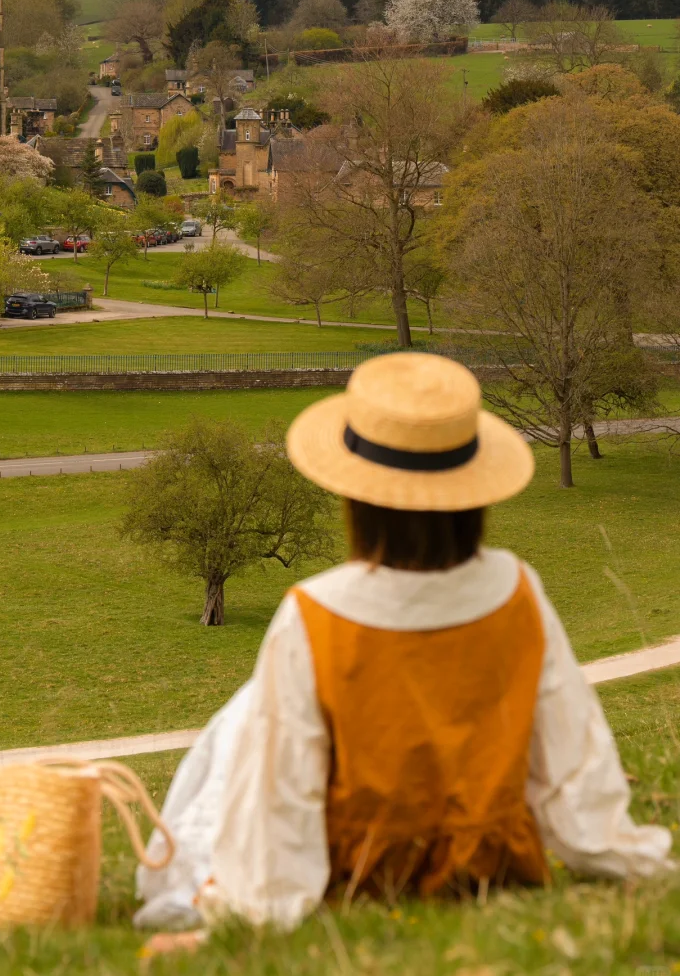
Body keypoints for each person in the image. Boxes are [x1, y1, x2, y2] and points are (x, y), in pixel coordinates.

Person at [135, 352, 673, 930]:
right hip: (492, 869)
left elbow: (282, 795)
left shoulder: (314, 614)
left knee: (242, 718)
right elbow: (573, 768)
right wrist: (625, 857)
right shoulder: (518, 592)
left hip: (363, 877)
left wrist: (247, 907)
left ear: (356, 496)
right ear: (472, 491)